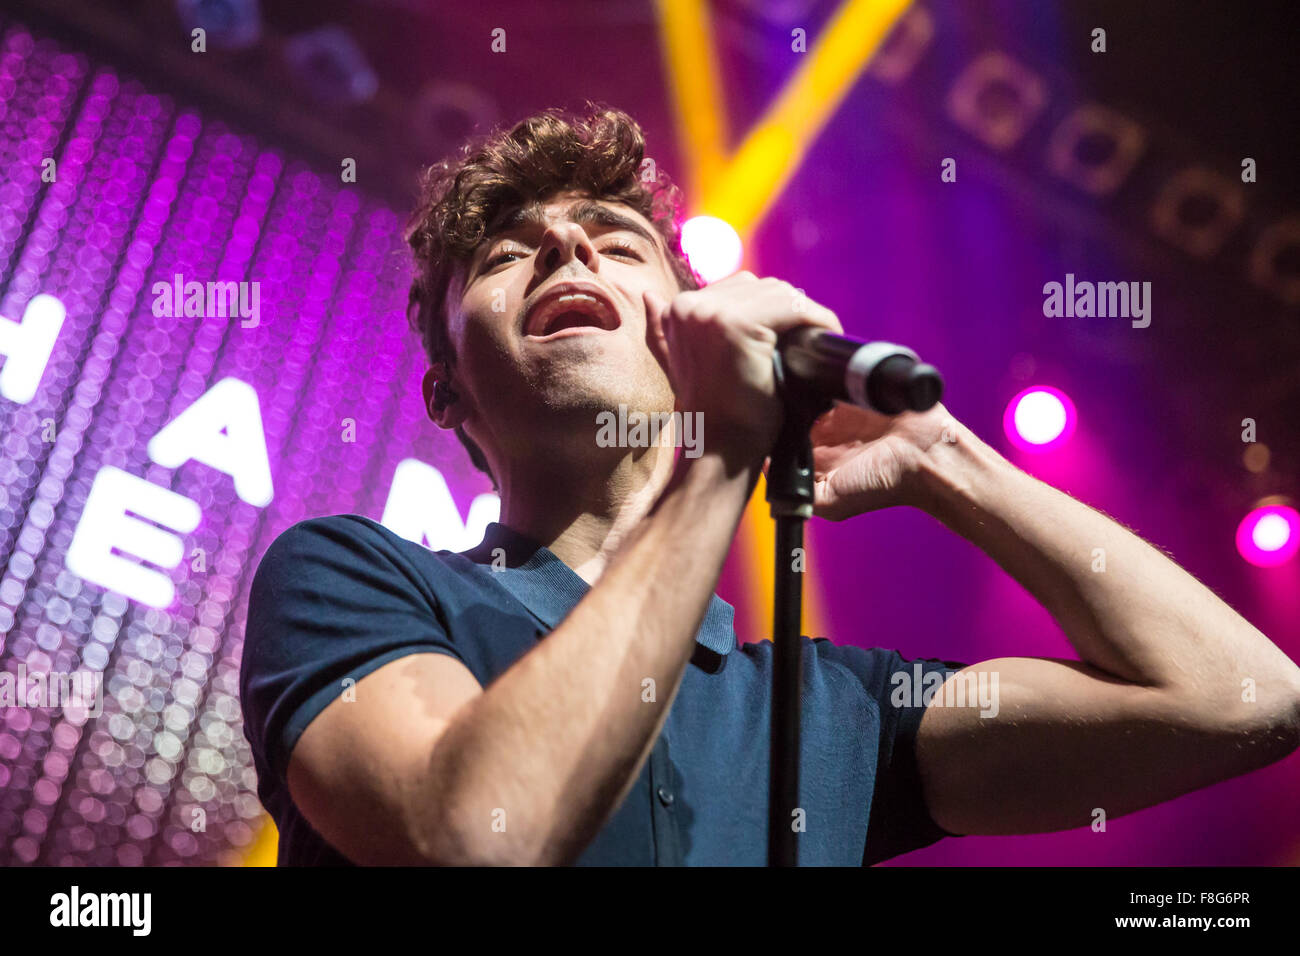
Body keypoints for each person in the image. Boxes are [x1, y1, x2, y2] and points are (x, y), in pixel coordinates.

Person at [239, 106, 1300, 866]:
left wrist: (946, 458)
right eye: (514, 252)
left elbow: (1245, 698)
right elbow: (470, 833)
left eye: (617, 242)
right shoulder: (349, 576)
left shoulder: (839, 711)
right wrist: (716, 457)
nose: (568, 243)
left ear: (681, 329)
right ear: (447, 394)